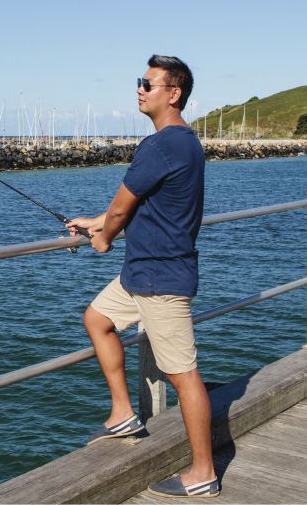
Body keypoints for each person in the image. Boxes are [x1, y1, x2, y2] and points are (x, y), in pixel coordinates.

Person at [67, 55, 218, 500]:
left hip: (160, 278)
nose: (139, 88)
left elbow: (121, 210)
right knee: (97, 319)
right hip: (142, 272)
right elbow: (139, 205)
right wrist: (98, 222)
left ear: (173, 93)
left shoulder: (160, 146)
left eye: (148, 84)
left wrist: (103, 237)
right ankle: (123, 414)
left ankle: (203, 473)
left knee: (183, 376)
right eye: (140, 81)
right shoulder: (185, 142)